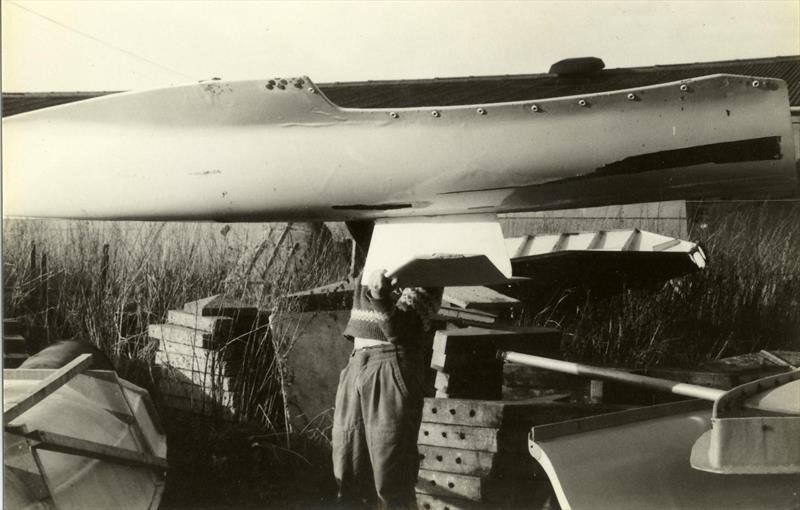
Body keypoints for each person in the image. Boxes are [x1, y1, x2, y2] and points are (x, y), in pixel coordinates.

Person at [332, 268, 442, 509]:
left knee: (391, 483)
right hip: (356, 362)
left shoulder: (427, 268)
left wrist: (380, 297)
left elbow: (403, 332)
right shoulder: (379, 244)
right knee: (348, 475)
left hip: (391, 363)